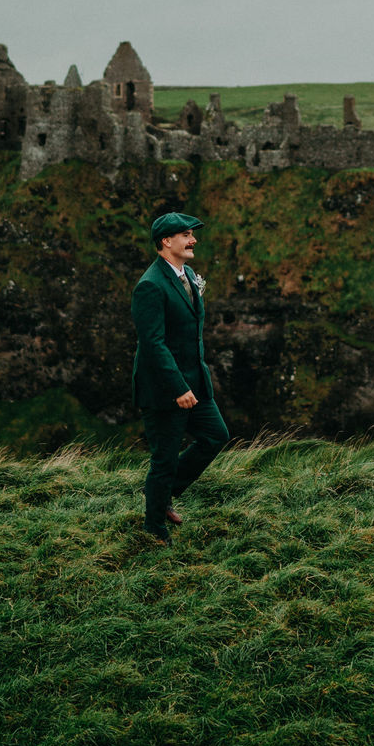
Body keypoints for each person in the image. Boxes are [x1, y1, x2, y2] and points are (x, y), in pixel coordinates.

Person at [132, 211, 228, 542]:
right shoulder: (149, 286)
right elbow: (153, 344)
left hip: (193, 380)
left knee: (216, 435)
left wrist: (193, 382)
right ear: (166, 242)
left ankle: (165, 493)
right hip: (165, 389)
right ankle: (154, 529)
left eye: (192, 234)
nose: (193, 240)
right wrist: (178, 388)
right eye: (186, 235)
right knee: (165, 458)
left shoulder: (185, 274)